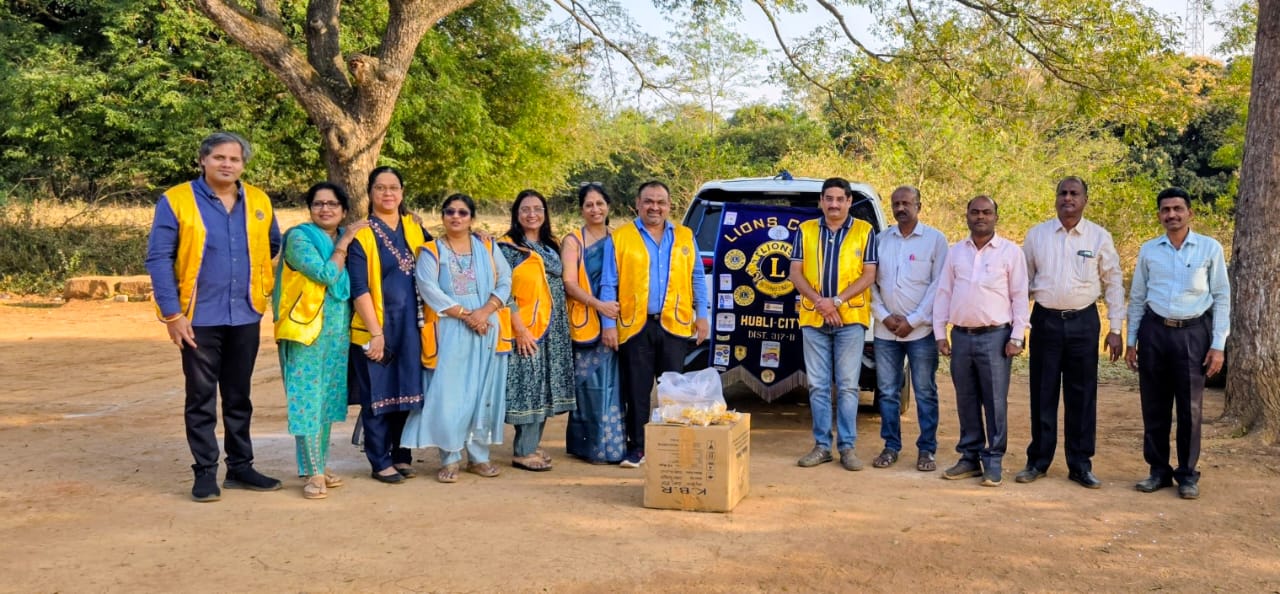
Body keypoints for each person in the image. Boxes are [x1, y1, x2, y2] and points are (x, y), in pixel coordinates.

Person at [145, 131, 283, 502]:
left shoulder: (257, 200)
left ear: (243, 165)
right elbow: (158, 258)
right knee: (201, 396)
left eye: (234, 159)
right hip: (197, 316)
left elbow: (272, 243)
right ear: (203, 160)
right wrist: (173, 314)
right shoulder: (176, 201)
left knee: (239, 395)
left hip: (245, 312)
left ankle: (240, 466)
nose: (227, 165)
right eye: (219, 157)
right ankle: (205, 471)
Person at [1016, 177, 1125, 489]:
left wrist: (1115, 328)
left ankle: (1080, 464)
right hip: (1045, 321)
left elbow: (1113, 282)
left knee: (1082, 394)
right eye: (1062, 193)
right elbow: (1022, 285)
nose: (1068, 198)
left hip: (1084, 323)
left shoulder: (1099, 237)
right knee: (1042, 392)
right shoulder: (1037, 235)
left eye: (1074, 193)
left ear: (1085, 200)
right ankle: (1038, 460)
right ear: (1055, 199)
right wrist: (1018, 326)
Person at [1125, 187, 1229, 500]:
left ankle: (1187, 475)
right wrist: (1132, 340)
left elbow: (1222, 297)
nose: (1172, 214)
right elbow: (1138, 297)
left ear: (1189, 213)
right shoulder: (1149, 250)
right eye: (1166, 209)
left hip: (1193, 334)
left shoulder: (1209, 249)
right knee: (1154, 405)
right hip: (1154, 332)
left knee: (1190, 408)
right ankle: (1158, 470)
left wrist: (1218, 344)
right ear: (1159, 215)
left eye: (1178, 209)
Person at [402, 193, 513, 483]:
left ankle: (479, 457)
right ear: (442, 216)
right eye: (449, 211)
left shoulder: (487, 247)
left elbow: (505, 281)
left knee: (481, 393)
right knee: (449, 395)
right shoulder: (431, 252)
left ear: (471, 218)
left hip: (487, 329)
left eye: (463, 213)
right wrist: (468, 315)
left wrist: (485, 311)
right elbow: (429, 290)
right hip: (450, 330)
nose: (456, 216)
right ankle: (450, 457)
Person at [272, 182, 368, 499]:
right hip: (305, 331)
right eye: (318, 204)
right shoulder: (300, 237)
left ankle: (316, 464)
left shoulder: (341, 237)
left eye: (332, 204)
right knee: (307, 400)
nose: (324, 209)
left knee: (326, 400)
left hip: (337, 332)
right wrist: (344, 242)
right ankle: (314, 473)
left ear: (343, 210)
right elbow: (326, 275)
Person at [607, 180, 709, 468]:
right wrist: (608, 324)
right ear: (637, 204)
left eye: (660, 202)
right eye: (649, 201)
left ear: (669, 205)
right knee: (636, 391)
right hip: (634, 326)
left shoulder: (685, 236)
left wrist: (702, 315)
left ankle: (669, 446)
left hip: (674, 326)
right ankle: (637, 448)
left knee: (672, 390)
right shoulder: (621, 237)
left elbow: (697, 278)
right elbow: (608, 283)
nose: (655, 207)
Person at [933, 195, 1029, 487]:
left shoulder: (1010, 253)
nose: (980, 217)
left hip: (996, 337)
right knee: (966, 399)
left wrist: (1017, 336)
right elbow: (944, 293)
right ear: (967, 216)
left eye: (986, 212)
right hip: (961, 336)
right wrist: (940, 333)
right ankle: (969, 457)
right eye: (975, 212)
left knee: (995, 401)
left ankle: (994, 460)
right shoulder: (955, 252)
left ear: (996, 217)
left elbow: (1019, 296)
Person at [348, 166, 430, 485]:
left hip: (412, 325)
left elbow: (443, 253)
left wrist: (475, 236)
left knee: (407, 389)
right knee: (378, 393)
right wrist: (375, 332)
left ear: (402, 192)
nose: (387, 193)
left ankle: (400, 455)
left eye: (393, 187)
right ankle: (379, 459)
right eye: (380, 187)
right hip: (377, 326)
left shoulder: (414, 228)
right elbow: (359, 288)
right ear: (370, 193)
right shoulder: (361, 233)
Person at [789, 177, 879, 471]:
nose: (834, 204)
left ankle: (848, 447)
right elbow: (795, 273)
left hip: (850, 318)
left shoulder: (865, 232)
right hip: (813, 317)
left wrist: (836, 302)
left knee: (849, 386)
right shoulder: (805, 230)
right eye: (829, 198)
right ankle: (822, 446)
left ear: (849, 201)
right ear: (821, 201)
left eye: (840, 199)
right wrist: (820, 303)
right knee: (817, 386)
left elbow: (868, 276)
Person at [869, 185, 948, 472]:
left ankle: (927, 450)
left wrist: (912, 320)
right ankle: (891, 446)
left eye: (906, 203)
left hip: (921, 332)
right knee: (888, 391)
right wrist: (884, 316)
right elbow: (870, 283)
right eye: (896, 204)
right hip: (885, 331)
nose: (901, 208)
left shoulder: (936, 240)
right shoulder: (880, 240)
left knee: (925, 391)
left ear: (919, 206)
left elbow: (938, 285)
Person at [498, 189, 576, 472]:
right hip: (528, 328)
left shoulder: (551, 245)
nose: (532, 214)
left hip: (553, 329)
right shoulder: (507, 248)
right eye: (526, 209)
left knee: (544, 386)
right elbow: (502, 291)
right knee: (528, 386)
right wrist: (518, 328)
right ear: (516, 215)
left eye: (538, 209)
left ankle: (530, 445)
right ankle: (523, 451)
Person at [562, 183, 625, 464]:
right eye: (589, 205)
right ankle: (589, 446)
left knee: (616, 384)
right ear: (581, 210)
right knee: (590, 385)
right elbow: (569, 282)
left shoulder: (621, 237)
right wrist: (598, 305)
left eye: (600, 204)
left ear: (608, 206)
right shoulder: (574, 241)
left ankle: (615, 445)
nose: (595, 209)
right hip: (587, 321)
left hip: (617, 321)